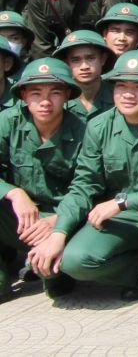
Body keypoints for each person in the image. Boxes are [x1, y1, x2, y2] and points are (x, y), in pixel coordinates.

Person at [31, 50, 138, 310]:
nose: (128, 94)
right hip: (122, 219)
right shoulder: (99, 126)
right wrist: (59, 233)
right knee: (74, 261)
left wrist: (122, 201)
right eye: (121, 86)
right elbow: (84, 185)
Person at [0, 57, 87, 298]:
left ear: (67, 95)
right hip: (22, 218)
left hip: (64, 221)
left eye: (55, 93)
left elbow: (90, 189)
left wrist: (59, 221)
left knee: (56, 282)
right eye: (36, 93)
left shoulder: (85, 131)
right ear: (24, 96)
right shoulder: (8, 122)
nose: (45, 102)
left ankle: (55, 273)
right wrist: (14, 193)